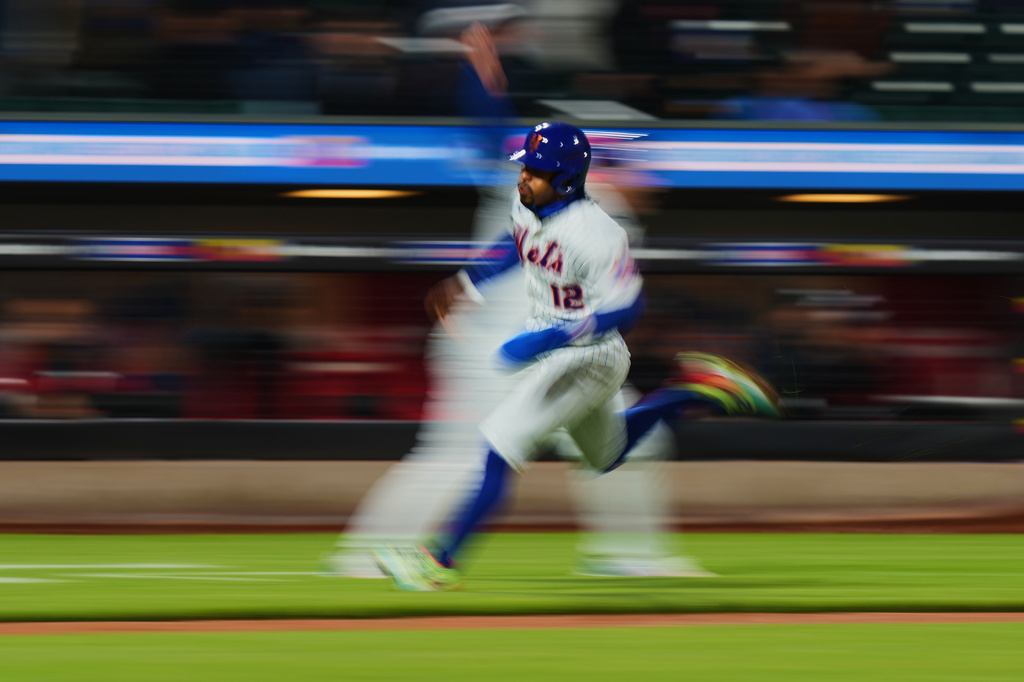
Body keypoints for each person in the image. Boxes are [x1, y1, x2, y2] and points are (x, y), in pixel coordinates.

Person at [324, 23, 712, 580]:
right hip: (485, 347)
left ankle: (628, 556)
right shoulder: (549, 193)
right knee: (460, 455)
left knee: (625, 448)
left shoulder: (599, 219)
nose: (653, 177)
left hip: (562, 348)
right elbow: (493, 149)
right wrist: (482, 83)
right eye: (639, 161)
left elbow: (612, 303)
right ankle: (371, 554)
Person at [373, 122, 779, 590]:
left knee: (499, 446)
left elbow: (630, 305)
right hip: (560, 347)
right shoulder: (526, 201)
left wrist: (554, 338)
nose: (524, 177)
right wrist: (467, 282)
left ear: (566, 179)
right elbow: (516, 243)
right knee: (607, 455)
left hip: (589, 355)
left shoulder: (597, 233)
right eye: (524, 166)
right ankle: (700, 388)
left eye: (537, 171)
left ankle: (437, 562)